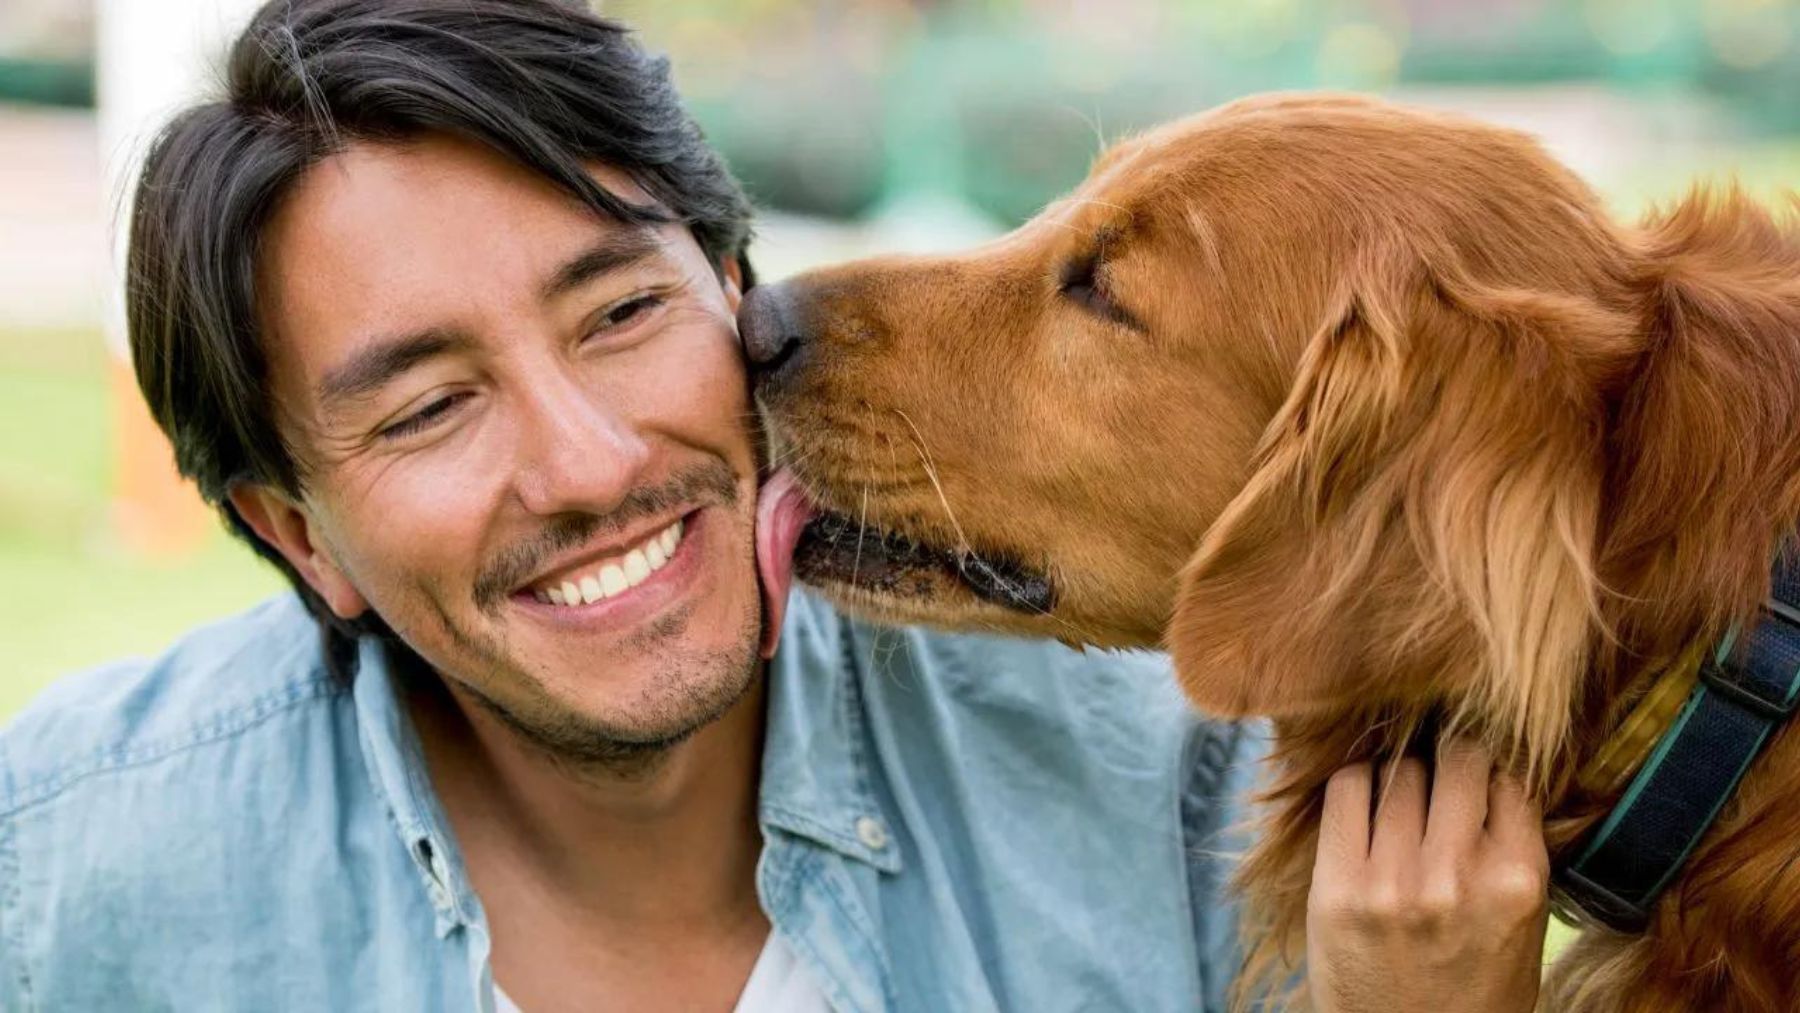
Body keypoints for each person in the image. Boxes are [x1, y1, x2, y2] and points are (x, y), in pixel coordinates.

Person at [0, 2, 1549, 1010]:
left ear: (732, 286)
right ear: (296, 537)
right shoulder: (66, 866)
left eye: (620, 314)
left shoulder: (1213, 795)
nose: (594, 462)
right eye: (429, 408)